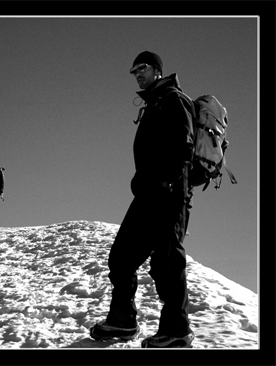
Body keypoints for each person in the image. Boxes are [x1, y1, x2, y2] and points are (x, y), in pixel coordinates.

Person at [89, 51, 196, 348]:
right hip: (149, 195)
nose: (137, 73)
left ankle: (177, 331)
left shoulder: (175, 99)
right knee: (121, 257)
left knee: (166, 263)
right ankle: (123, 322)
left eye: (143, 68)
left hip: (169, 195)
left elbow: (185, 147)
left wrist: (167, 181)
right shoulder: (154, 103)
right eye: (134, 70)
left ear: (158, 71)